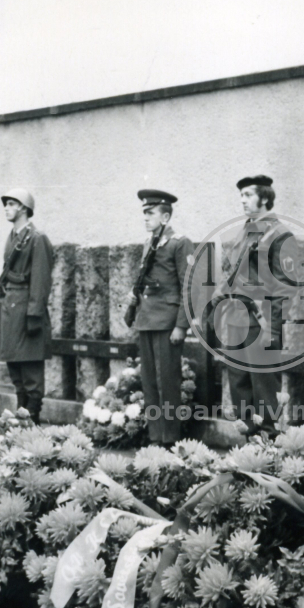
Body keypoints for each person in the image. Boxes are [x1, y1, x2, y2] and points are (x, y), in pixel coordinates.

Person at [219, 174, 302, 435]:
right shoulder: (245, 231)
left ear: (264, 198)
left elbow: (285, 287)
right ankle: (250, 454)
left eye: (248, 195)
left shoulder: (280, 234)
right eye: (241, 196)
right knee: (240, 389)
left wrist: (272, 330)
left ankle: (268, 453)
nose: (242, 201)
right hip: (236, 320)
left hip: (261, 322)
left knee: (265, 393)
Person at [127, 189, 195, 443]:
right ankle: (155, 437)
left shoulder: (179, 243)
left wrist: (181, 325)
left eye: (151, 213)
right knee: (149, 383)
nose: (145, 218)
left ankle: (170, 439)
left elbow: (189, 286)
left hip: (167, 323)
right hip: (147, 321)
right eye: (144, 213)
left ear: (165, 217)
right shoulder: (149, 243)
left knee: (167, 382)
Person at [0, 188, 53, 422]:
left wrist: (34, 315)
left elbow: (41, 279)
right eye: (6, 204)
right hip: (9, 308)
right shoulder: (13, 236)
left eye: (11, 204)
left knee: (31, 370)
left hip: (26, 309)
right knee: (15, 367)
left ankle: (32, 417)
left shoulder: (37, 239)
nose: (6, 208)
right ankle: (20, 417)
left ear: (23, 209)